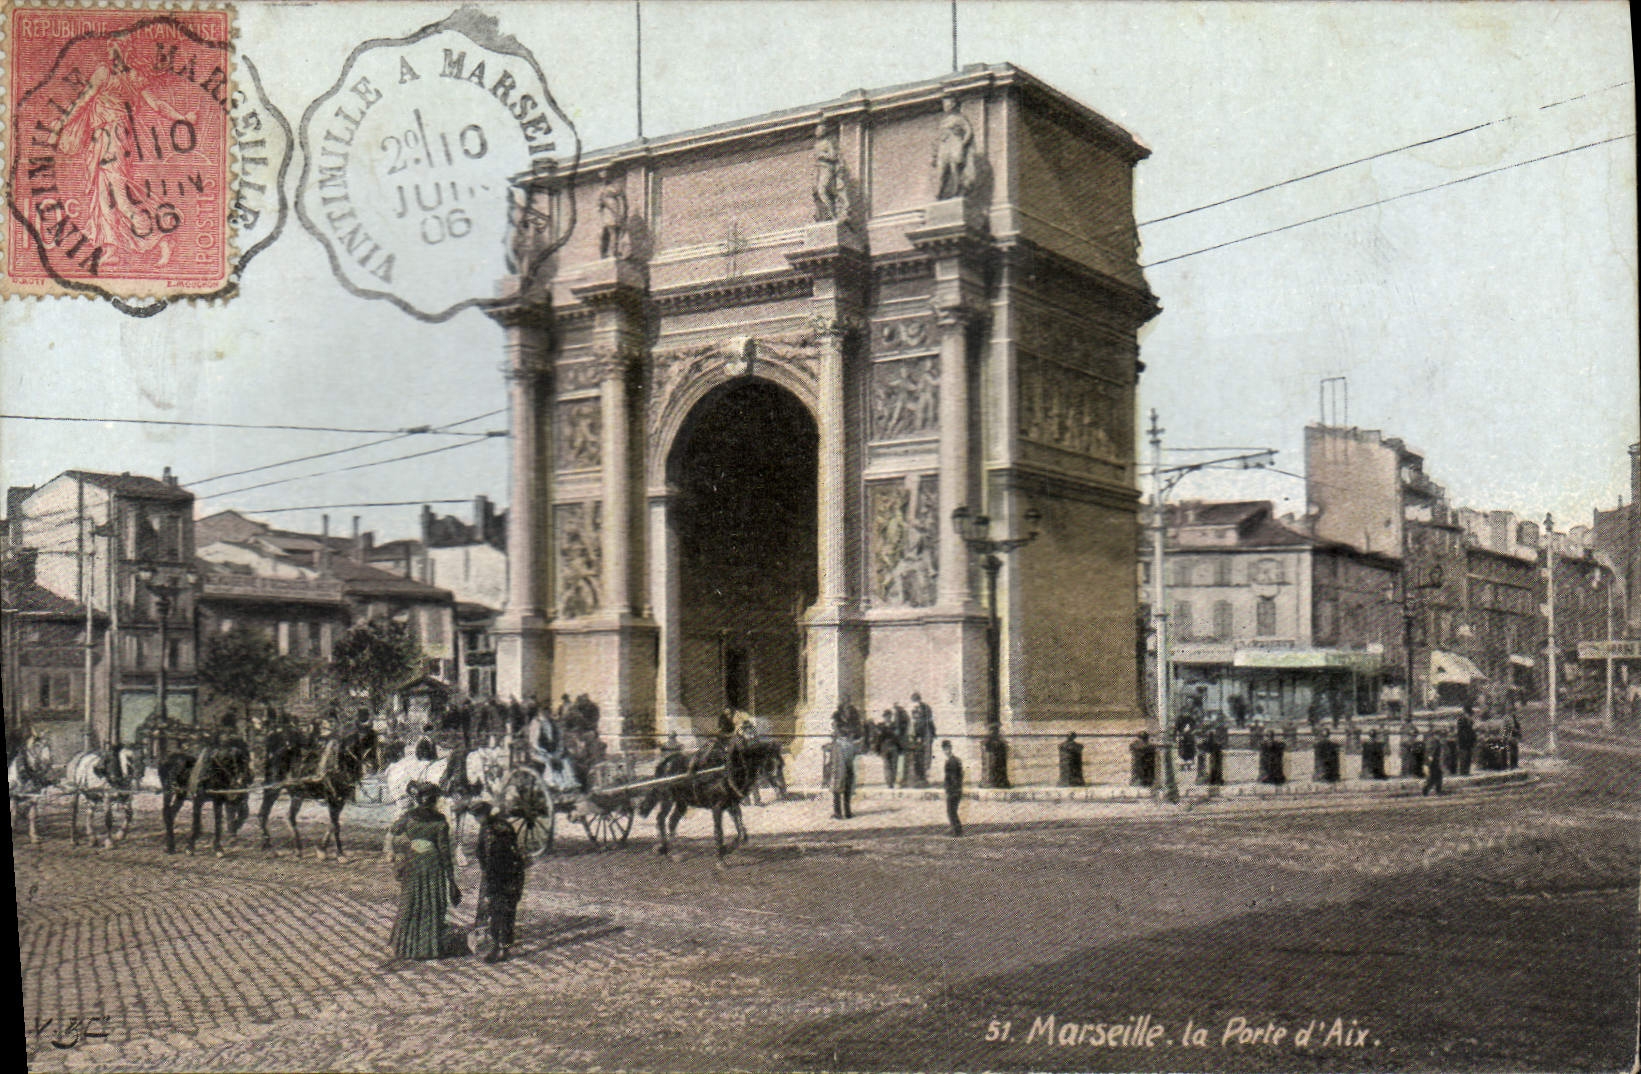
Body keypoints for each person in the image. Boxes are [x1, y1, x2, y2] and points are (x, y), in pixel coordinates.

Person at [389, 783, 461, 961]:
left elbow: (395, 829)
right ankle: (428, 948)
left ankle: (406, 947)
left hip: (413, 862)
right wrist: (451, 880)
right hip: (432, 864)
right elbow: (445, 853)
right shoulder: (440, 821)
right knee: (431, 903)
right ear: (434, 800)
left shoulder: (409, 817)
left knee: (410, 902)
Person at [472, 801, 529, 963]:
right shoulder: (498, 825)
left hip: (503, 876)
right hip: (508, 874)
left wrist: (490, 879)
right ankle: (500, 945)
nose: (476, 820)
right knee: (502, 911)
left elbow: (491, 857)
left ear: (485, 814)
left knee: (501, 911)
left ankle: (502, 947)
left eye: (478, 816)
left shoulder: (492, 830)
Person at [825, 733, 857, 820]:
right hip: (849, 770)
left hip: (839, 771)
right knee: (847, 793)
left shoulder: (837, 746)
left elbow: (834, 760)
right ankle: (848, 812)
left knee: (836, 792)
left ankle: (838, 813)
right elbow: (853, 756)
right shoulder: (851, 745)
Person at [910, 693, 936, 786]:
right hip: (919, 736)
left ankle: (923, 777)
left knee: (924, 756)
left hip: (923, 735)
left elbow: (926, 722)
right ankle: (919, 777)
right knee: (919, 757)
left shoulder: (923, 708)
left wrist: (920, 736)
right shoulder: (916, 708)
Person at [941, 740, 964, 836]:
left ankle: (956, 831)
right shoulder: (954, 760)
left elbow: (954, 777)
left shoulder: (952, 761)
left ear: (950, 749)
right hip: (955, 788)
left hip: (954, 789)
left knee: (951, 810)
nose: (947, 751)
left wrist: (952, 790)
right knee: (952, 810)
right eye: (945, 749)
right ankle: (955, 829)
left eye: (948, 749)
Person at [1421, 730, 1446, 796]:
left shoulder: (1435, 741)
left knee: (1437, 776)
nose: (1440, 737)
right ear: (1435, 735)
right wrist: (1430, 758)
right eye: (1440, 736)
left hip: (1435, 761)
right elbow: (1430, 750)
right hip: (1432, 762)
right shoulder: (1433, 741)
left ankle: (1436, 791)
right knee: (1434, 777)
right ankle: (1427, 790)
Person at [1456, 707, 1477, 776]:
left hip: (1469, 742)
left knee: (1468, 756)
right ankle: (1463, 771)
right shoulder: (1461, 720)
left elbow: (1472, 731)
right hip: (1463, 741)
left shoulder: (1470, 721)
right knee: (1464, 756)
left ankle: (1467, 771)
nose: (1470, 716)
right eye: (1469, 714)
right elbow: (1461, 732)